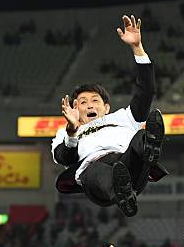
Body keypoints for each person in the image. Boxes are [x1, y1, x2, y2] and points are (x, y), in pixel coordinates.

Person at [51, 14, 168, 217]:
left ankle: (150, 150)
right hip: (97, 177)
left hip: (130, 165)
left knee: (141, 136)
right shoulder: (65, 133)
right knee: (97, 170)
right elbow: (65, 157)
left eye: (95, 100)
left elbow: (146, 91)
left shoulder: (122, 118)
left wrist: (137, 48)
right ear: (74, 109)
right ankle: (122, 194)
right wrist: (72, 131)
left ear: (106, 107)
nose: (89, 105)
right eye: (82, 102)